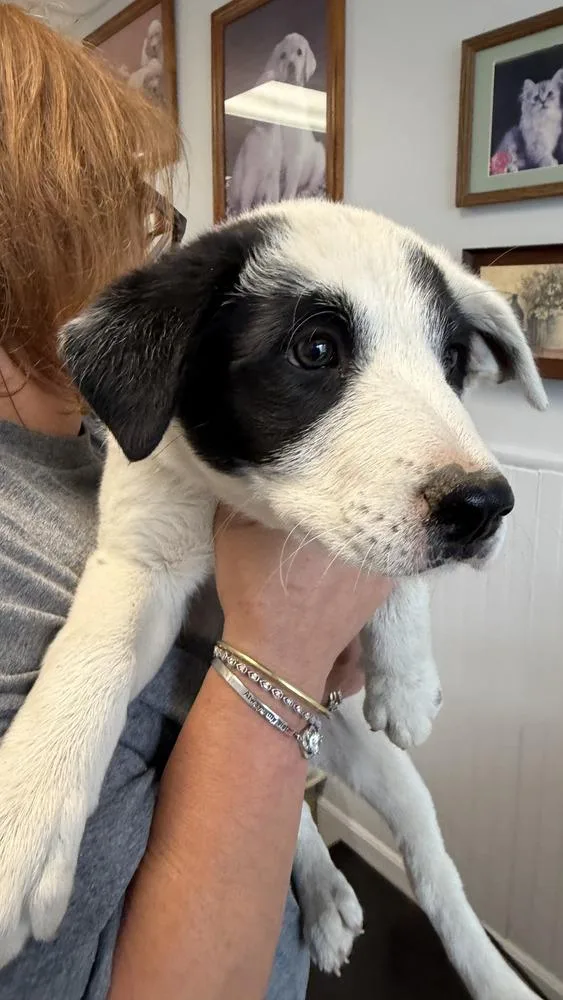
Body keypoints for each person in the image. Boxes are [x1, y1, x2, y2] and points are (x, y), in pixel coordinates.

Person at [0, 8, 391, 1000]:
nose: (154, 240)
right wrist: (287, 646)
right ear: (36, 223)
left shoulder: (103, 427)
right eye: (135, 207)